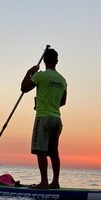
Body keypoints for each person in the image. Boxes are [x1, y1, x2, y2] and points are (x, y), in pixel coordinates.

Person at [20, 47, 67, 189]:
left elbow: (24, 88)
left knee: (41, 151)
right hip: (57, 119)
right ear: (57, 61)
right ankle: (55, 182)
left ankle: (44, 182)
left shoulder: (40, 75)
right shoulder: (62, 80)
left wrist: (29, 73)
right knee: (54, 152)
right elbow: (63, 102)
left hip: (43, 117)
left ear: (45, 60)